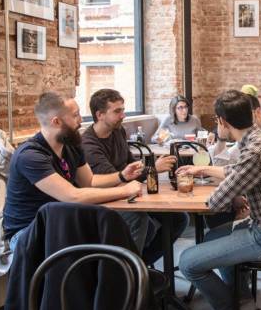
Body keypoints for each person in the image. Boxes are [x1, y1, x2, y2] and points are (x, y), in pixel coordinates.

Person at [177, 90, 261, 310]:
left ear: (223, 122)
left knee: (187, 262)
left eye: (217, 121)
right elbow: (238, 171)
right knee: (215, 235)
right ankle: (244, 301)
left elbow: (216, 203)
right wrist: (202, 171)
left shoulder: (255, 151)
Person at [3, 92, 141, 250]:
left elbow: (89, 182)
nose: (81, 120)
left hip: (63, 222)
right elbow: (72, 196)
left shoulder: (71, 145)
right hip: (27, 233)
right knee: (108, 235)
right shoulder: (30, 156)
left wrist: (121, 176)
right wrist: (124, 191)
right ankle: (118, 270)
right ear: (56, 122)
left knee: (134, 220)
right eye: (75, 115)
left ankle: (127, 271)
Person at [81, 89, 188, 265]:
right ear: (99, 115)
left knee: (179, 218)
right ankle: (128, 273)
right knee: (140, 219)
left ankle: (141, 264)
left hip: (126, 194)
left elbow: (131, 166)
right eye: (117, 111)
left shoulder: (118, 131)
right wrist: (153, 168)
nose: (123, 115)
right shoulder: (89, 144)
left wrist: (146, 169)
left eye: (123, 110)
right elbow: (116, 179)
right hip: (104, 200)